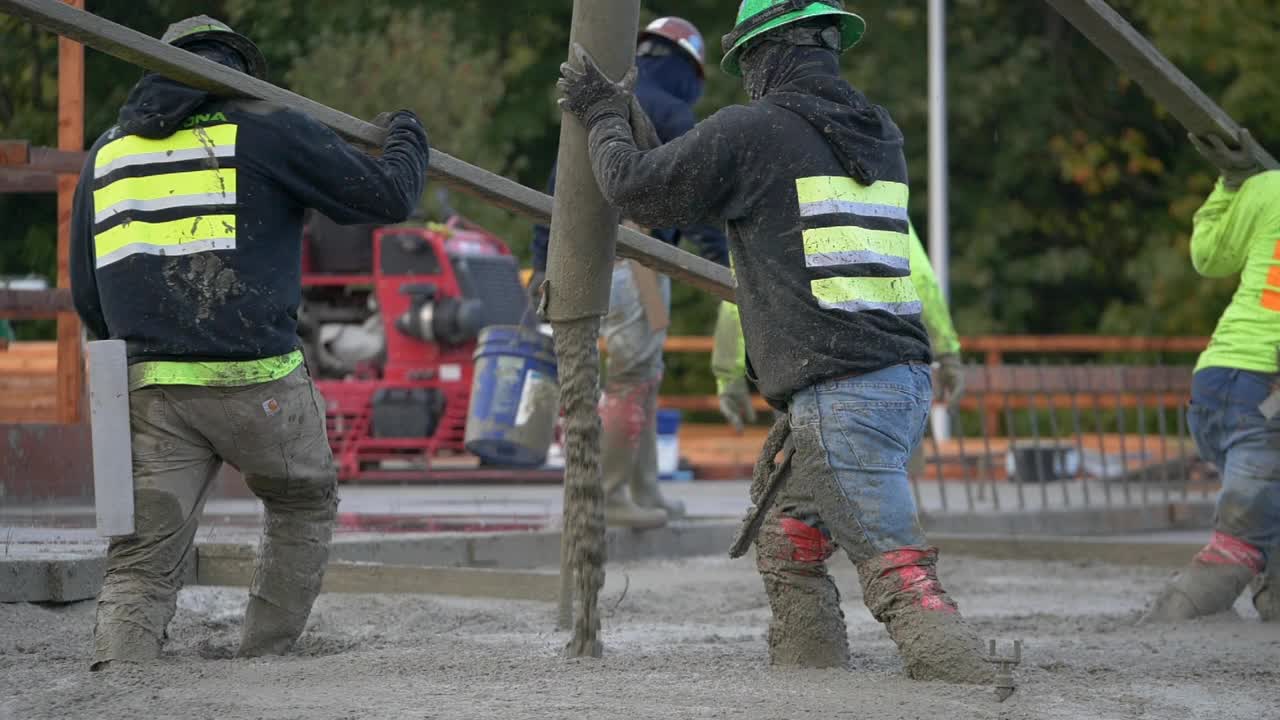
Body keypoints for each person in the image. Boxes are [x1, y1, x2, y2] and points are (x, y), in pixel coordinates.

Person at [557, 0, 990, 683]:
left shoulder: (754, 131)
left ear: (767, 55)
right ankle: (808, 667)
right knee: (790, 534)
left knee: (895, 561)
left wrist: (602, 113)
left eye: (750, 64)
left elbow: (634, 190)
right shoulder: (879, 132)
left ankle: (964, 672)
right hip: (902, 379)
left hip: (838, 392)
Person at [69, 16, 429, 668]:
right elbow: (387, 195)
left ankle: (119, 676)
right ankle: (263, 654)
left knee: (142, 560)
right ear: (236, 71)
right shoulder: (266, 127)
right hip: (257, 381)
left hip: (152, 387)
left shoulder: (108, 153)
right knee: (301, 500)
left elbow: (86, 293)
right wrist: (406, 132)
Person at [532, 17, 729, 529]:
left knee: (645, 374)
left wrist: (540, 264)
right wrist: (728, 263)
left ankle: (644, 491)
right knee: (634, 377)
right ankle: (612, 496)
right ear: (690, 66)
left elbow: (560, 190)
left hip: (609, 262)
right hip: (635, 264)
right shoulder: (674, 113)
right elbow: (691, 199)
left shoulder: (601, 108)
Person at [1143, 129, 1279, 623]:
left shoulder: (1269, 190)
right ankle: (1167, 629)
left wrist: (1230, 183)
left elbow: (1208, 257)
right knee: (1242, 537)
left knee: (1270, 515)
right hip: (1269, 389)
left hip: (1219, 383)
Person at [713, 222, 966, 449]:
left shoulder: (779, 190)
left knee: (812, 482)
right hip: (892, 366)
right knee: (891, 483)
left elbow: (744, 289)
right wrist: (946, 353)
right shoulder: (878, 188)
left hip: (808, 374)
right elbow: (920, 278)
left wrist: (729, 376)